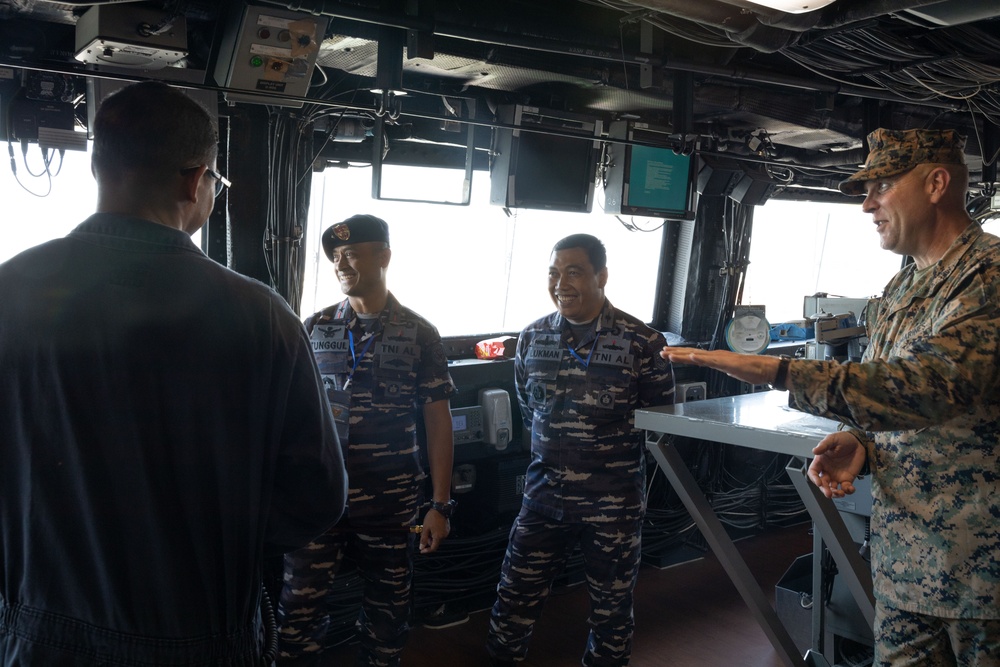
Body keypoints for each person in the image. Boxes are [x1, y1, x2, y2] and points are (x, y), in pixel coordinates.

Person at [0, 81, 348, 666]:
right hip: (197, 633)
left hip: (38, 632)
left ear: (98, 169)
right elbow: (315, 495)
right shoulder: (262, 315)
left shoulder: (8, 291)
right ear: (196, 180)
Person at [661, 128, 1000, 666]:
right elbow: (888, 389)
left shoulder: (989, 276)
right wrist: (861, 440)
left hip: (981, 578)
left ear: (937, 183)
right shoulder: (903, 288)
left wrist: (780, 370)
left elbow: (928, 387)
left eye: (883, 186)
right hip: (905, 564)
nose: (867, 205)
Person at [487, 233, 675, 667]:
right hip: (542, 498)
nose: (560, 283)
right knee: (513, 597)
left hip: (612, 504)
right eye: (553, 273)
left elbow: (661, 422)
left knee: (610, 612)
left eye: (573, 272)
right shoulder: (532, 338)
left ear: (601, 276)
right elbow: (527, 410)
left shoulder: (641, 342)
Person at [277, 214, 456, 667]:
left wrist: (439, 504)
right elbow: (291, 412)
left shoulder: (420, 334)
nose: (341, 264)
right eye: (336, 257)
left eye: (351, 254)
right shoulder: (315, 327)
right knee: (298, 608)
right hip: (320, 499)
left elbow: (438, 421)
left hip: (392, 504)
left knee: (389, 609)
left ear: (384, 257)